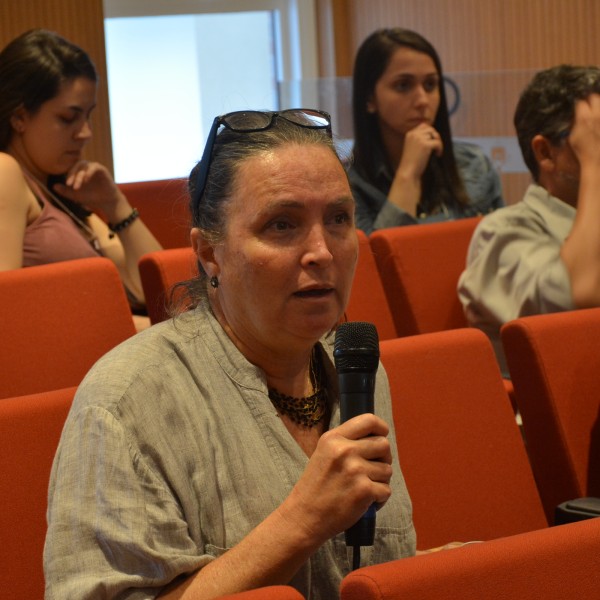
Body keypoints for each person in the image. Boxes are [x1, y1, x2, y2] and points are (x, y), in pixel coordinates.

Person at [43, 109, 417, 599]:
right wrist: (302, 521)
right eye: (282, 225)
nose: (322, 252)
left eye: (338, 219)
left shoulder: (358, 370)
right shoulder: (127, 402)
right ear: (209, 253)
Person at [0, 29, 162, 327]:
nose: (85, 132)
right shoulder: (5, 170)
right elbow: (7, 309)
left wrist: (115, 205)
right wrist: (146, 332)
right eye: (67, 118)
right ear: (19, 117)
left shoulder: (59, 193)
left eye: (88, 116)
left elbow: (160, 292)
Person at [458, 65, 600, 376]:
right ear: (546, 152)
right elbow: (577, 300)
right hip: (548, 418)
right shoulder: (503, 232)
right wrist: (594, 167)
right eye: (595, 138)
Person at [348, 28, 504, 235]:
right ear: (369, 99)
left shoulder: (474, 164)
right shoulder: (347, 183)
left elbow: (504, 249)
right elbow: (375, 263)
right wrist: (408, 174)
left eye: (430, 84)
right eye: (403, 85)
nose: (422, 100)